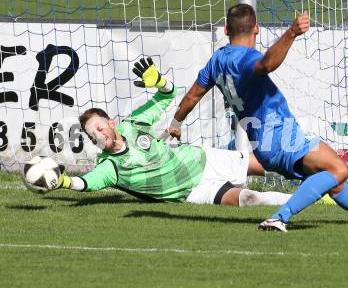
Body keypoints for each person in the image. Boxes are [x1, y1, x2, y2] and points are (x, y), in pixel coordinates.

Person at [166, 4, 348, 232]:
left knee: (334, 182)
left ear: (226, 29)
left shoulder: (217, 61)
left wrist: (176, 123)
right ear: (256, 29)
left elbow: (192, 95)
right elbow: (266, 64)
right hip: (282, 138)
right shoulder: (247, 58)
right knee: (340, 168)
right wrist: (292, 32)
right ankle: (280, 217)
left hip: (264, 147)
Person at [23, 57, 294, 208]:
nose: (98, 135)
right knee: (250, 198)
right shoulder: (111, 168)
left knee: (270, 164)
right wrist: (64, 182)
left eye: (99, 127)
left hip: (201, 159)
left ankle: (317, 178)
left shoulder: (134, 124)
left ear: (111, 123)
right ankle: (305, 199)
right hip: (193, 192)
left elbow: (168, 96)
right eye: (92, 135)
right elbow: (88, 183)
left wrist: (160, 82)